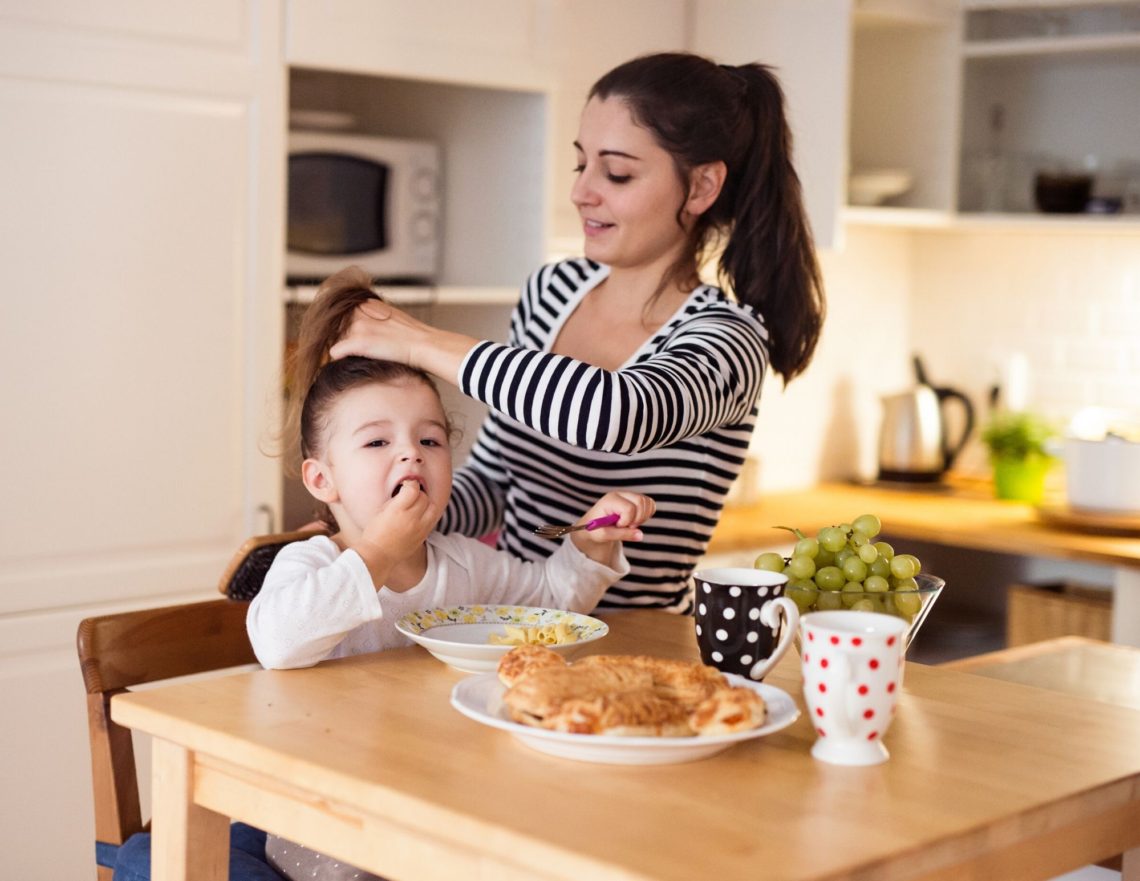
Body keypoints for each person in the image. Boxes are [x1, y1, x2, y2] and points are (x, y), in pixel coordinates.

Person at [329, 51, 825, 614]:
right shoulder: (552, 292)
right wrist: (360, 528)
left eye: (616, 173)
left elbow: (614, 415)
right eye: (580, 165)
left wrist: (415, 340)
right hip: (512, 634)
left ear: (702, 186)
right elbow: (495, 483)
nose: (582, 192)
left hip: (640, 652)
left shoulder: (728, 340)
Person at [248, 266, 654, 881]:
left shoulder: (462, 561)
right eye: (377, 443)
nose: (411, 453)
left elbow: (550, 602)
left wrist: (592, 543)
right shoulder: (312, 564)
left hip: (438, 813)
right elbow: (276, 641)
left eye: (430, 441)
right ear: (320, 480)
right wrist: (377, 553)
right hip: (329, 829)